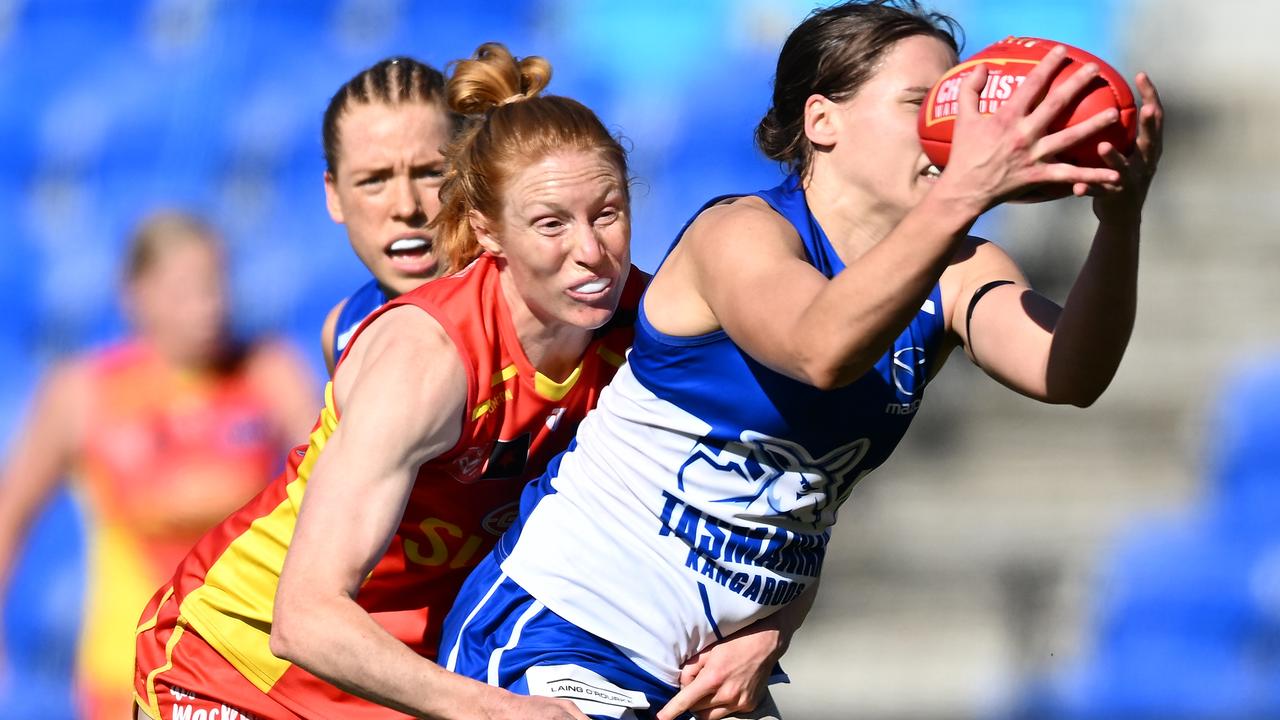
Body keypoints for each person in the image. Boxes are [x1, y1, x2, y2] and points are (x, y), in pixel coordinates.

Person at [439, 2, 1165, 719]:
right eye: (925, 103)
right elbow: (822, 350)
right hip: (562, 629)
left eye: (959, 102)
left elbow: (1069, 374)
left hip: (714, 674)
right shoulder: (742, 232)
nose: (953, 129)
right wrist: (965, 190)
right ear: (822, 122)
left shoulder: (959, 268)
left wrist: (1120, 219)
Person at [133, 42, 653, 720]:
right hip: (238, 668)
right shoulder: (412, 348)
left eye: (606, 213)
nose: (407, 206)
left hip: (393, 673)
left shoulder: (641, 324)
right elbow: (308, 609)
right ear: (487, 223)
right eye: (374, 179)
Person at [0, 211, 318, 720]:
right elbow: (9, 513)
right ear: (135, 293)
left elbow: (331, 491)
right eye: (185, 291)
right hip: (124, 669)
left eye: (217, 285)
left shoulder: (269, 372)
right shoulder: (83, 392)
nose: (208, 307)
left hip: (244, 661)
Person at [318, 56, 461, 376]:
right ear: (335, 196)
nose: (406, 207)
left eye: (430, 173)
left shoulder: (530, 303)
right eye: (375, 180)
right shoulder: (343, 328)